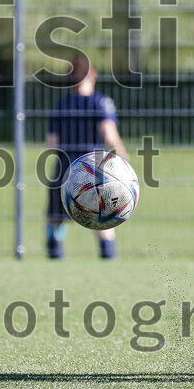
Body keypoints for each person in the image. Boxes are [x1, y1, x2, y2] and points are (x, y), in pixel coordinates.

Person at [46, 53, 130, 259]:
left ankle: (54, 259)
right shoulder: (100, 102)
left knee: (56, 217)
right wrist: (124, 159)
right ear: (93, 74)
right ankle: (107, 260)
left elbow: (51, 143)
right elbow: (108, 133)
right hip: (94, 169)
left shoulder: (61, 105)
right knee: (103, 216)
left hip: (65, 167)